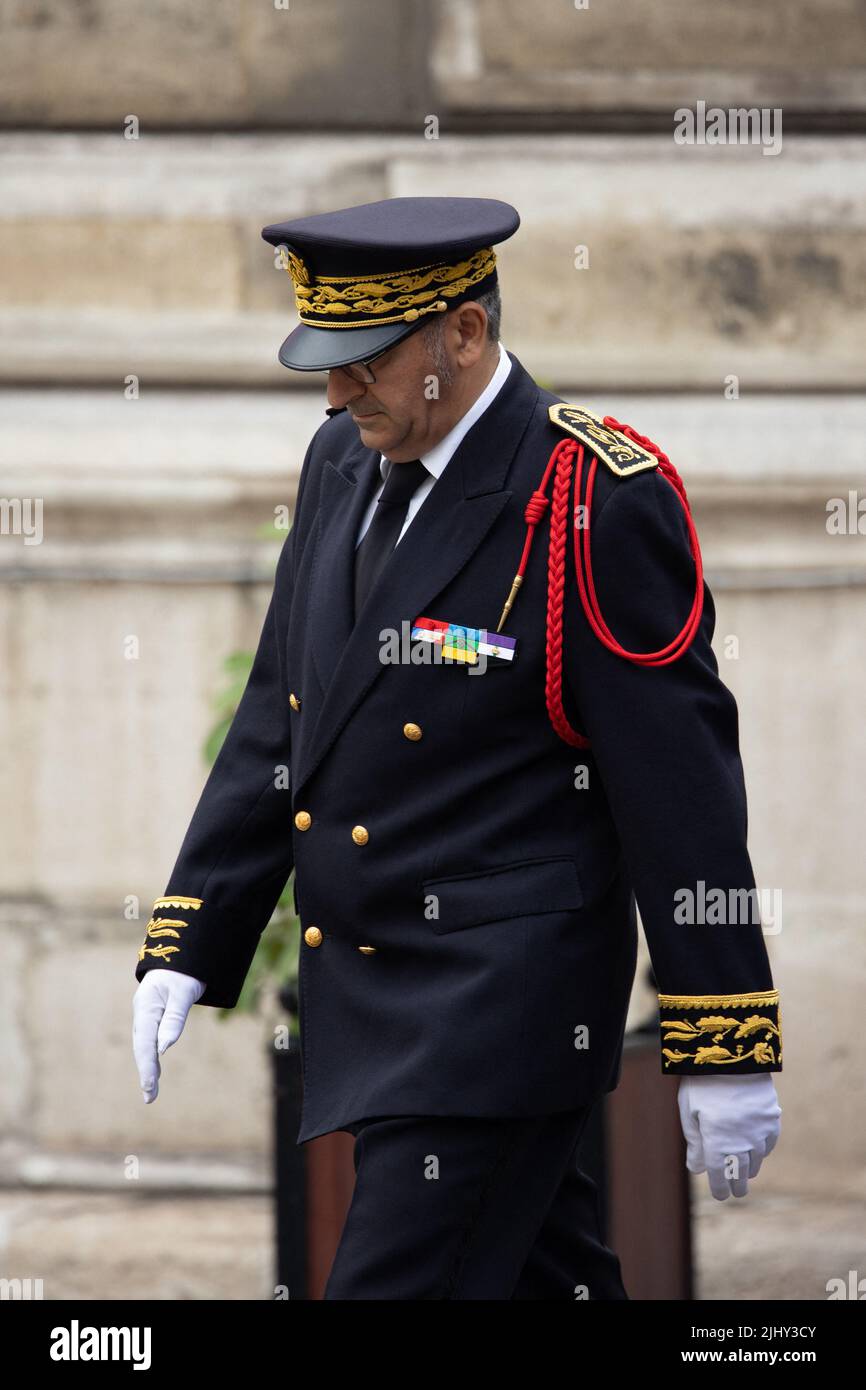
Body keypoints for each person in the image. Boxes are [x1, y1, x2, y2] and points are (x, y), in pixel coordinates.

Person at [132, 196, 782, 1299]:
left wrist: (724, 1036)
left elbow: (678, 794)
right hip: (374, 1002)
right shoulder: (340, 461)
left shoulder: (591, 496)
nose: (336, 391)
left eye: (366, 362)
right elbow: (285, 713)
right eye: (326, 365)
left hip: (500, 1021)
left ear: (464, 336)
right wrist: (196, 925)